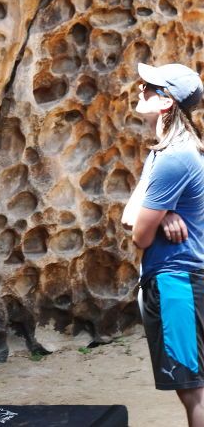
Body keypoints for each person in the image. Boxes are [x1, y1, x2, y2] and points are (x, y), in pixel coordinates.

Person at [121, 62, 204, 426]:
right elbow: (130, 214)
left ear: (167, 101)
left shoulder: (173, 158)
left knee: (194, 393)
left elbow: (139, 235)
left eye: (150, 86)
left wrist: (154, 216)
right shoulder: (165, 152)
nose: (141, 88)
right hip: (181, 281)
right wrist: (163, 213)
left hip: (177, 284)